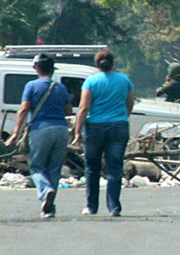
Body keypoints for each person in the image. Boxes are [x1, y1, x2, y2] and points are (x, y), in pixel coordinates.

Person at [5, 54, 72, 218]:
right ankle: (48, 208)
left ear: (37, 68)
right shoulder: (60, 87)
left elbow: (23, 109)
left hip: (40, 129)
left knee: (37, 166)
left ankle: (45, 190)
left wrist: (15, 133)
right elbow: (68, 111)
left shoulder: (31, 86)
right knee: (54, 168)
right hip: (61, 130)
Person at [72, 49, 134, 217]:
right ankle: (114, 207)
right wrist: (122, 117)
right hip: (118, 127)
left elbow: (84, 108)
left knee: (92, 167)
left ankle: (91, 206)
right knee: (114, 168)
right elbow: (129, 104)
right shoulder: (125, 81)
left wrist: (78, 131)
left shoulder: (90, 82)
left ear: (97, 64)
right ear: (113, 63)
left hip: (94, 129)